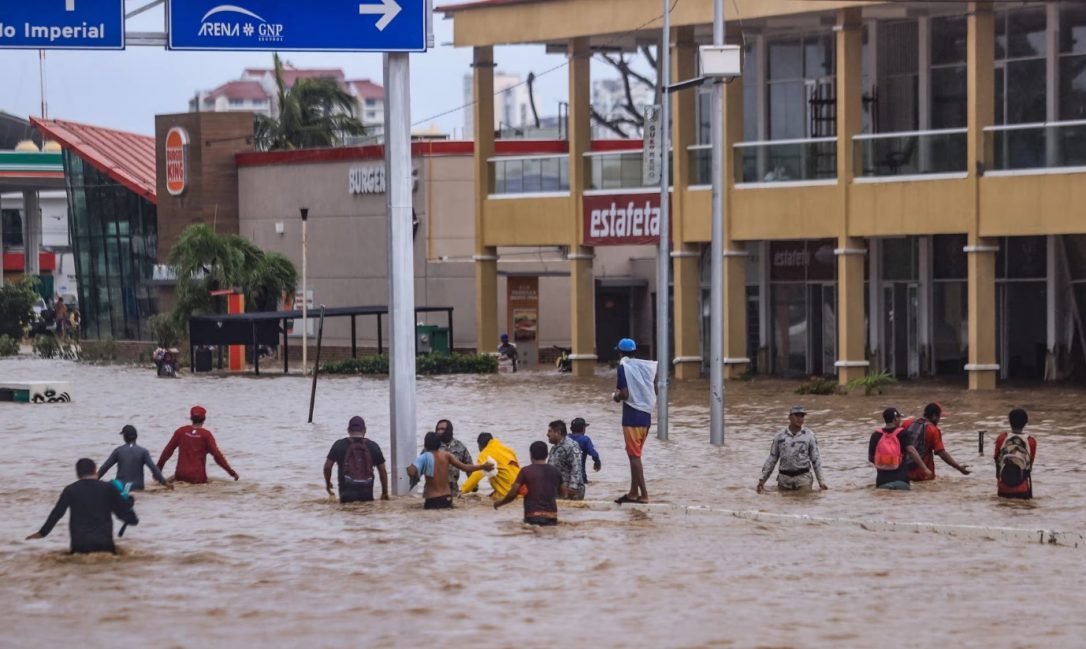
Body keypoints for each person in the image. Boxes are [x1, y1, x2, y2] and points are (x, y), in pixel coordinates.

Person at [26, 458, 139, 554]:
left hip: (79, 546)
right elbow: (128, 518)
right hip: (104, 545)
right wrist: (129, 504)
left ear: (78, 474)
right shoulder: (108, 488)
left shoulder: (70, 490)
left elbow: (56, 514)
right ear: (95, 470)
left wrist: (42, 533)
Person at [612, 338, 657, 504]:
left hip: (632, 419)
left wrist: (615, 397)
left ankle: (644, 494)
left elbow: (624, 394)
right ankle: (633, 492)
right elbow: (655, 390)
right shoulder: (644, 368)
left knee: (634, 457)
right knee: (634, 455)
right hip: (645, 418)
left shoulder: (624, 367)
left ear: (620, 352)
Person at [406, 432, 492, 510]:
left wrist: (408, 468)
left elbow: (412, 472)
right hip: (447, 498)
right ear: (439, 444)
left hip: (432, 500)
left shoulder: (424, 457)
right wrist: (483, 466)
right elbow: (465, 467)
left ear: (425, 445)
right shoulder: (446, 455)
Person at [157, 405, 240, 484]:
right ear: (204, 419)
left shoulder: (181, 431)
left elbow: (167, 452)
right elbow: (217, 456)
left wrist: (157, 470)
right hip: (197, 477)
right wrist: (231, 473)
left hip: (180, 475)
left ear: (191, 418)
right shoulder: (206, 435)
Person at [756, 405, 828, 493]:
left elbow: (816, 460)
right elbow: (772, 459)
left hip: (803, 480)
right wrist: (762, 481)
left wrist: (821, 482)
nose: (799, 418)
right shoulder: (780, 436)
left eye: (802, 416)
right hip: (784, 480)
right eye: (796, 415)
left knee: (804, 503)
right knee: (784, 504)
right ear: (789, 417)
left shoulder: (809, 436)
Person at [495, 441, 562, 526]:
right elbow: (563, 493)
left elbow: (512, 494)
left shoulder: (525, 471)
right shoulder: (556, 471)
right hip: (551, 517)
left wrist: (499, 503)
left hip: (532, 516)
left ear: (531, 455)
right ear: (546, 455)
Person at [324, 416, 389, 503]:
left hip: (345, 497)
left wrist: (328, 484)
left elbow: (327, 467)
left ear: (348, 430)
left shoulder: (339, 445)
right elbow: (383, 471)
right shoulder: (373, 446)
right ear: (365, 430)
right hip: (367, 496)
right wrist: (385, 493)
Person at [901, 403, 971, 482]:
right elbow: (942, 453)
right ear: (934, 416)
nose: (939, 420)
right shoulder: (933, 430)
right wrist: (959, 468)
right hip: (923, 475)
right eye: (939, 417)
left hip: (904, 472)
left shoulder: (907, 423)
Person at [869, 407, 931, 490]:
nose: (900, 420)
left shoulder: (875, 435)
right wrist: (925, 468)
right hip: (901, 481)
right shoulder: (903, 433)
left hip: (882, 482)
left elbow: (871, 458)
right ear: (895, 419)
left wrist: (884, 464)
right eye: (899, 418)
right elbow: (911, 451)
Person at [98, 425, 173, 491]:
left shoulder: (118, 451)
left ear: (124, 437)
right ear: (136, 436)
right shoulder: (143, 451)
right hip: (138, 487)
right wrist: (165, 483)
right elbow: (154, 469)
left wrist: (93, 480)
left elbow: (104, 468)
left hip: (121, 487)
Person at [460, 432, 523, 500]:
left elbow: (477, 474)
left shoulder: (485, 454)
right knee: (490, 496)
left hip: (508, 494)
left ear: (480, 446)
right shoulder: (508, 450)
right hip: (523, 491)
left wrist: (463, 490)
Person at [994, 408, 1037, 500]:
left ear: (1009, 421)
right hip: (1022, 489)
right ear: (1026, 422)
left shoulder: (1001, 438)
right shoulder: (1031, 441)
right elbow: (1029, 466)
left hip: (1003, 488)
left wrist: (999, 480)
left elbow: (997, 461)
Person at [546, 420, 584, 500]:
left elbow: (576, 467)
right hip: (558, 489)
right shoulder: (554, 448)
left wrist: (572, 488)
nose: (547, 434)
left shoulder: (571, 445)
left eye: (550, 431)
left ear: (558, 432)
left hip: (570, 490)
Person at [436, 419, 472, 495]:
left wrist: (473, 484)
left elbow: (469, 466)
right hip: (435, 488)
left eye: (442, 429)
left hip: (453, 489)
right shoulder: (433, 445)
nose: (439, 431)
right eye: (438, 429)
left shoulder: (459, 446)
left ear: (449, 430)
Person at [568, 417, 601, 484]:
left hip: (564, 477)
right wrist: (597, 462)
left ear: (571, 429)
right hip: (580, 478)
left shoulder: (565, 438)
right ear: (583, 429)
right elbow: (594, 454)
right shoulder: (585, 440)